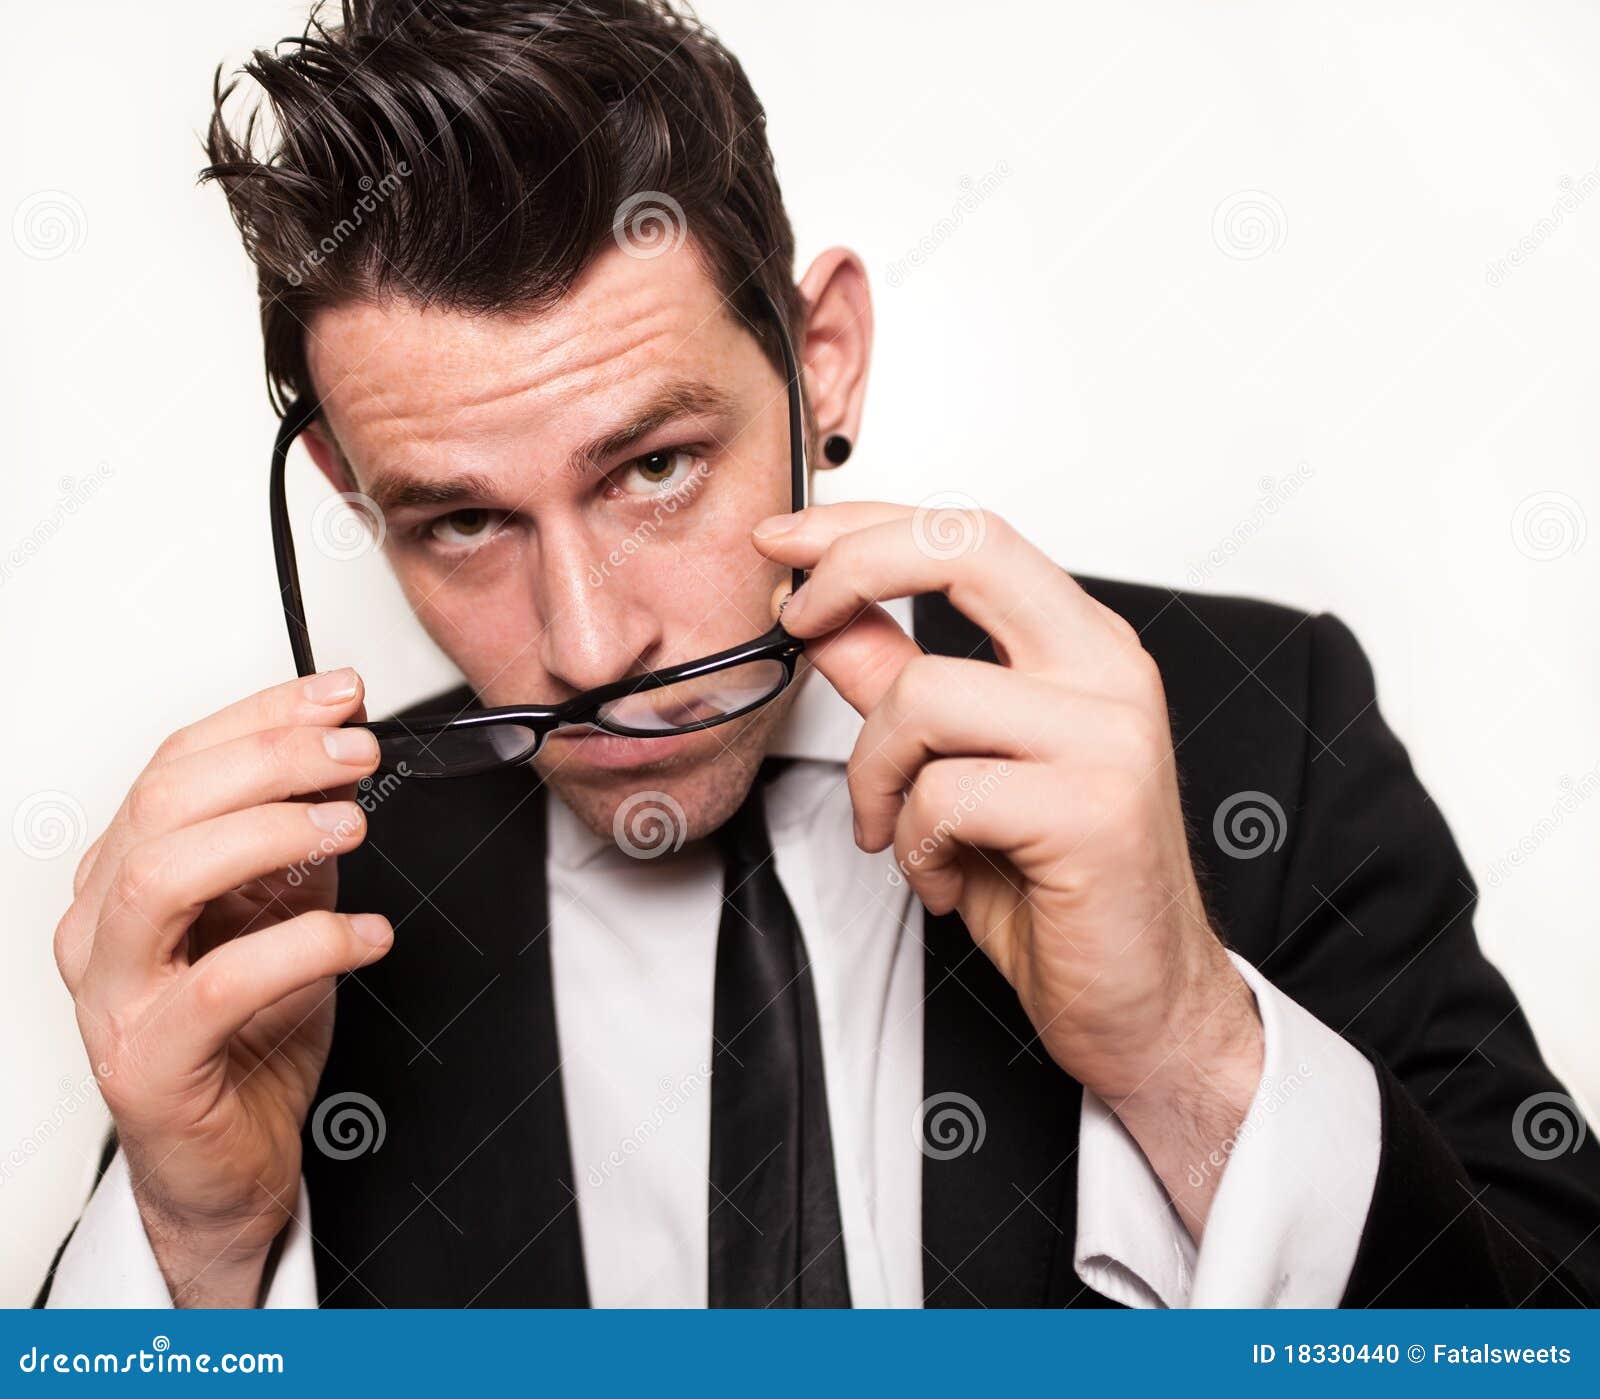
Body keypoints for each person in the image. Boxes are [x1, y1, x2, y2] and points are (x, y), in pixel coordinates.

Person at [38, 0, 1600, 1309]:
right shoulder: (308, 904)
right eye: (455, 522)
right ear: (348, 492)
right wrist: (200, 1241)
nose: (588, 644)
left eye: (653, 467)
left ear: (822, 359)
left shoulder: (1260, 734)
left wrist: (1189, 1056)